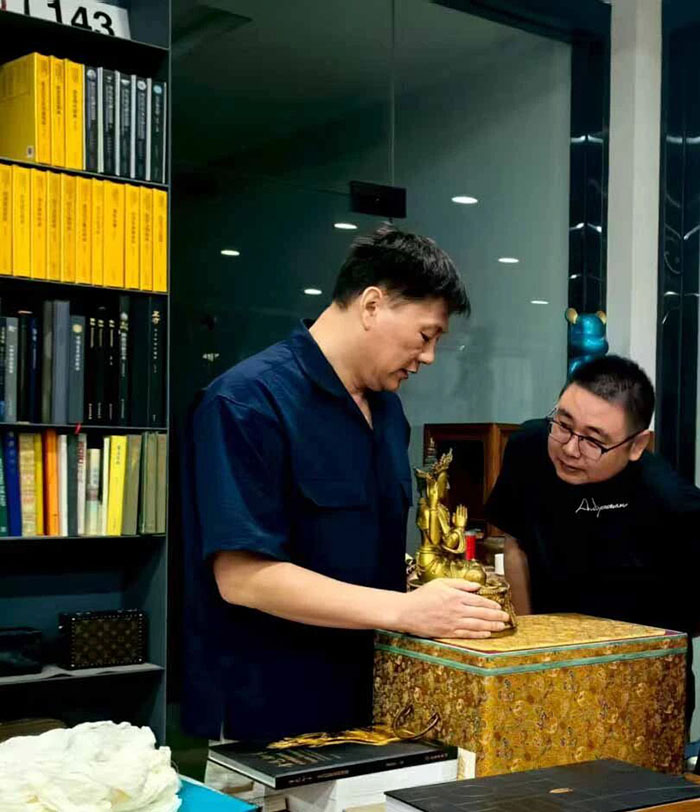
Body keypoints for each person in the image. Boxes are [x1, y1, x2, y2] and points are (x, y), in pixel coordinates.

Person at [181, 224, 510, 743]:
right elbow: (243, 577)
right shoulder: (247, 402)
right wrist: (406, 611)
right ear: (372, 305)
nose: (428, 357)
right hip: (268, 710)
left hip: (371, 698)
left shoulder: (388, 412)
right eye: (426, 336)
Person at [486, 355, 700, 714]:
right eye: (564, 424)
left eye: (594, 441)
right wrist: (530, 646)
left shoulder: (673, 502)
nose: (570, 449)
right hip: (549, 661)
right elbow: (516, 544)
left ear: (637, 445)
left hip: (642, 683)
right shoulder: (529, 447)